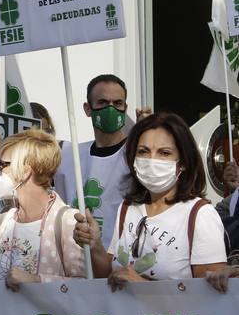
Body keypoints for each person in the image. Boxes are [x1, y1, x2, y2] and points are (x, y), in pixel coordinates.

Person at [73, 112, 227, 286]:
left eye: (164, 153)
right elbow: (109, 274)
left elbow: (210, 300)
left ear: (183, 162)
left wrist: (144, 288)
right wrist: (94, 245)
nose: (152, 160)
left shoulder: (201, 215)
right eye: (143, 151)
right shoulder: (128, 208)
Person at [0, 129, 84, 296]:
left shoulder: (66, 220)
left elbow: (85, 287)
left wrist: (37, 281)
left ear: (26, 171)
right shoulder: (3, 218)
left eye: (3, 165)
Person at [54, 74, 136, 247]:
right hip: (74, 262)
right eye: (103, 103)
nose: (111, 109)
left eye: (118, 103)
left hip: (118, 261)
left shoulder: (135, 155)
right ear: (87, 109)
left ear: (125, 108)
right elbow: (20, 167)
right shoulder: (68, 154)